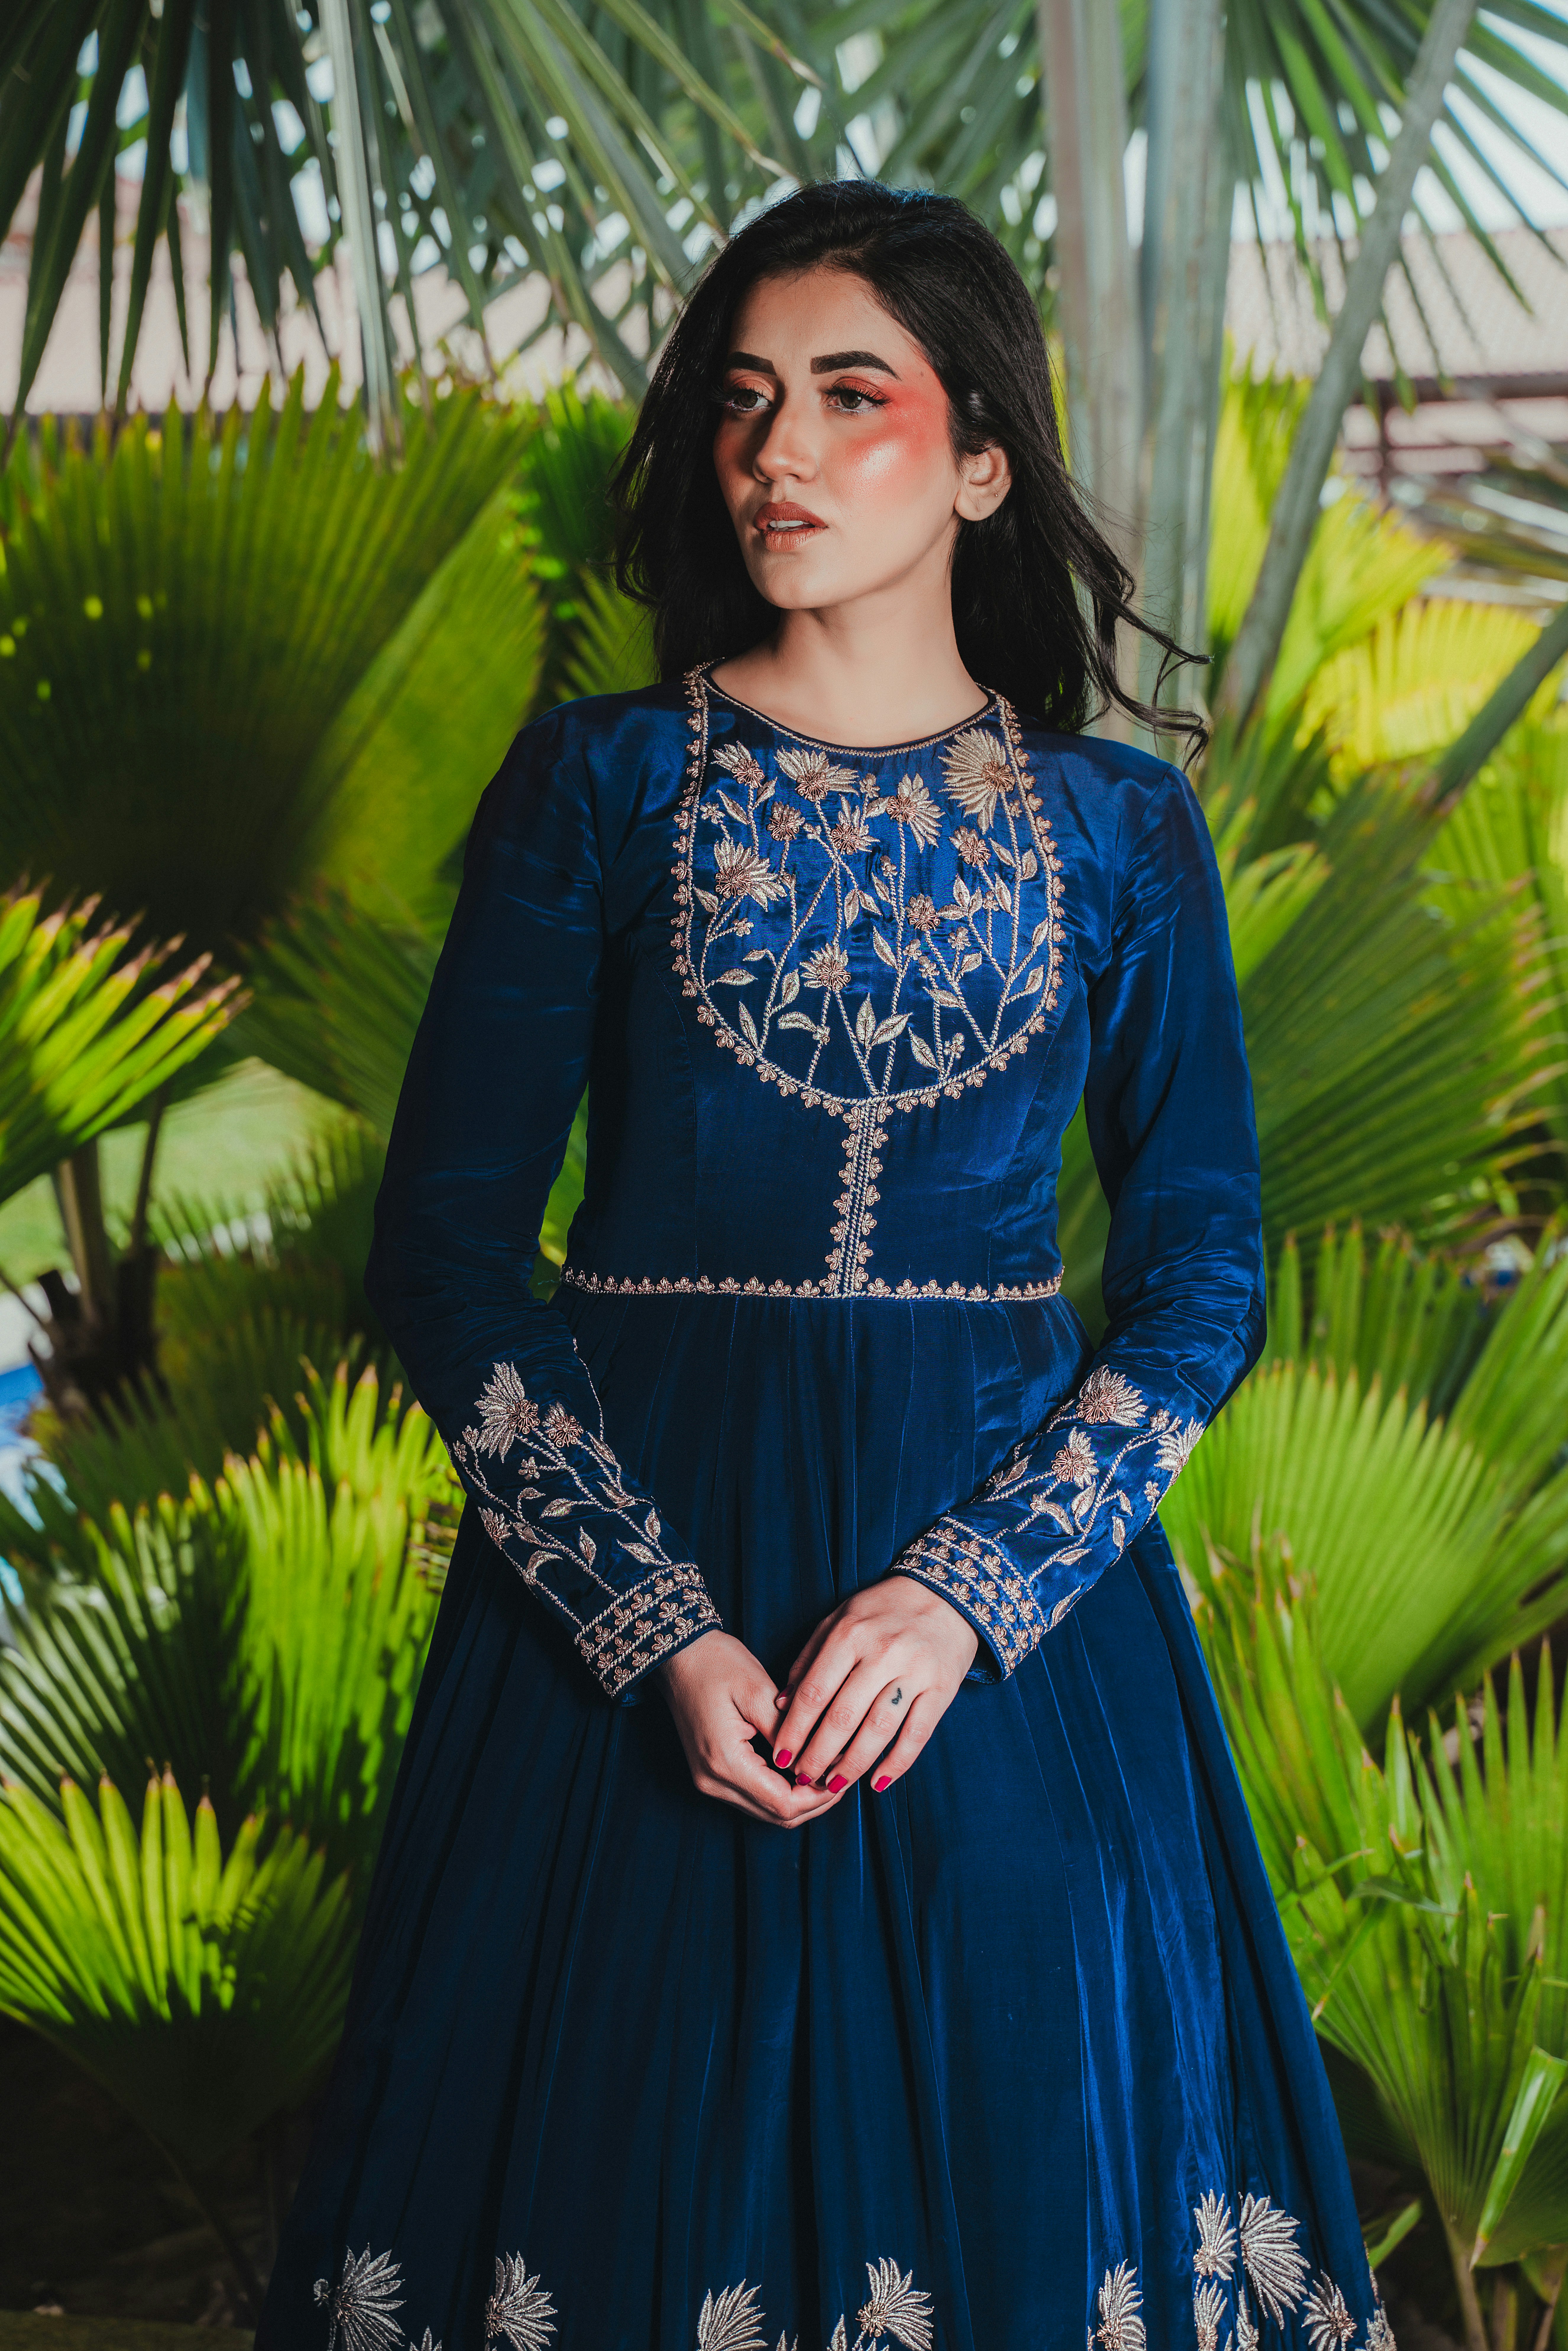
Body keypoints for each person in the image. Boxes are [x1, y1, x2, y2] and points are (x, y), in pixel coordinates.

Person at [257, 180, 1389, 2351]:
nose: (776, 446)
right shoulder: (597, 785)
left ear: (979, 457)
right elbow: (447, 1263)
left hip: (1017, 1653)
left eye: (848, 396)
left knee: (1040, 2185)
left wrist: (971, 1592)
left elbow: (1203, 1277)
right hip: (634, 1627)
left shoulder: (1117, 832)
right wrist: (654, 1630)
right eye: (743, 402)